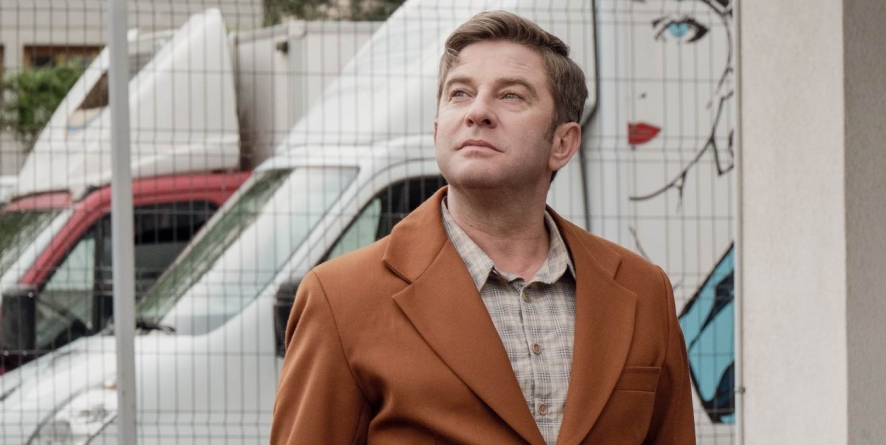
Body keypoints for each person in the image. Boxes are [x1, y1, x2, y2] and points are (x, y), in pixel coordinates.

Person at [271, 10, 695, 445]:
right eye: (460, 93)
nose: (478, 112)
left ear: (563, 143)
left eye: (511, 95)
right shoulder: (341, 299)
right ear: (438, 131)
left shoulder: (644, 292)